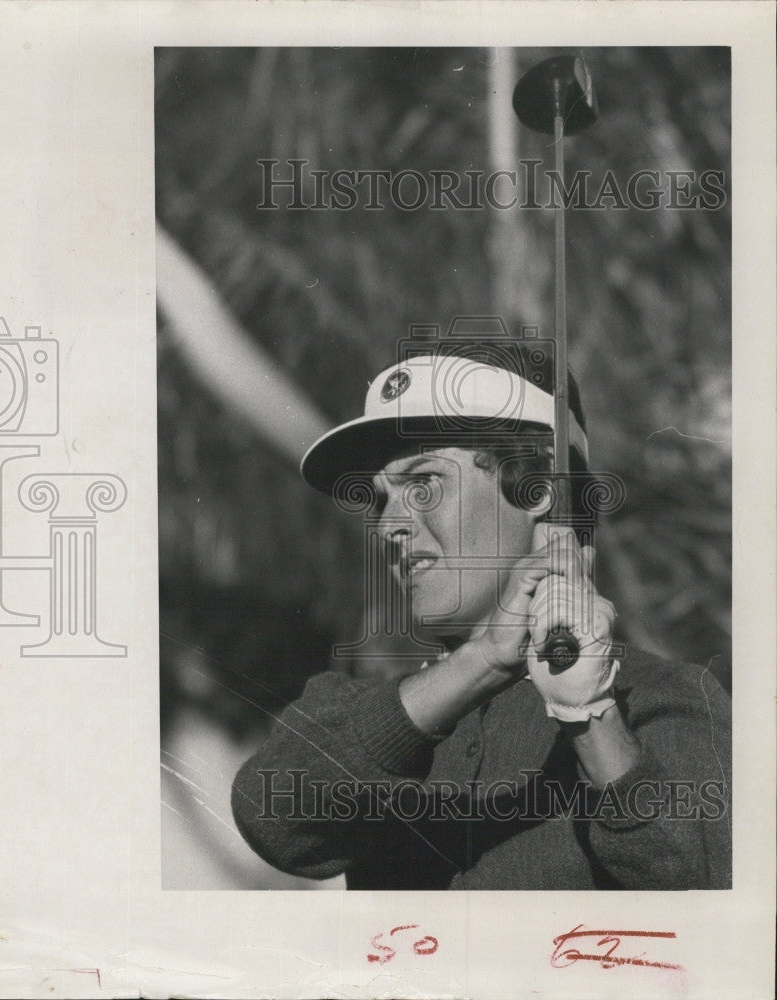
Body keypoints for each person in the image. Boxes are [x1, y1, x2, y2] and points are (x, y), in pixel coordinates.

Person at [231, 342, 731, 890]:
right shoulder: (350, 706)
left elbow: (701, 885)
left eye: (424, 483)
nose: (389, 524)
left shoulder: (664, 695)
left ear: (538, 489)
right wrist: (484, 662)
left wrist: (591, 717)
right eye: (379, 499)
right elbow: (272, 819)